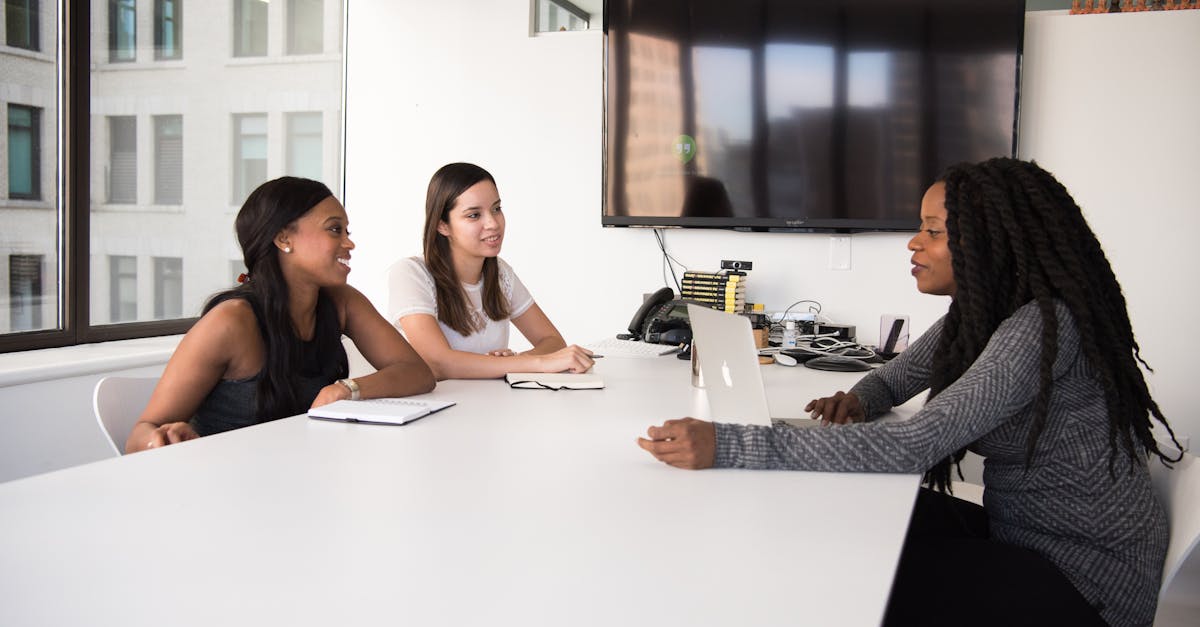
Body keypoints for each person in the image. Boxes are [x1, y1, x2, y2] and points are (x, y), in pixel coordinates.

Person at [637, 158, 1182, 626]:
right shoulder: (981, 315)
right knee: (848, 519)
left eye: (935, 230)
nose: (914, 242)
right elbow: (897, 376)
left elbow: (913, 445)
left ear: (989, 240)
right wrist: (861, 399)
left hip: (1084, 583)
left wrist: (731, 445)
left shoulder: (1042, 326)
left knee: (851, 576)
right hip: (1024, 534)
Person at [126, 177, 435, 452]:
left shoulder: (342, 302)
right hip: (227, 488)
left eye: (346, 231)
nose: (349, 242)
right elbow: (139, 437)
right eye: (334, 229)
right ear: (284, 238)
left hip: (298, 477)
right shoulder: (230, 322)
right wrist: (162, 440)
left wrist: (346, 389)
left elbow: (417, 373)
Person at [388, 162, 594, 379]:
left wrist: (511, 363)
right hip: (438, 408)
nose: (493, 223)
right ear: (442, 225)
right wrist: (525, 363)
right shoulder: (411, 274)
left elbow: (552, 341)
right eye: (474, 215)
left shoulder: (500, 273)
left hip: (490, 405)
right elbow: (439, 363)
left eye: (496, 209)